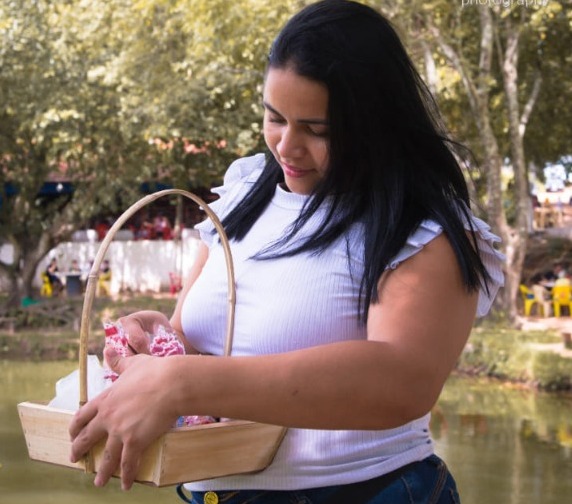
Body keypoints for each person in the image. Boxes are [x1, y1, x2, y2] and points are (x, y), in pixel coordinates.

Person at [69, 1, 504, 502]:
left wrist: (183, 381)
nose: (286, 146)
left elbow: (402, 382)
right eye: (274, 118)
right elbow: (217, 350)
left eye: (317, 130)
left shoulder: (422, 227)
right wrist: (160, 344)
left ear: (375, 122)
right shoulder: (244, 194)